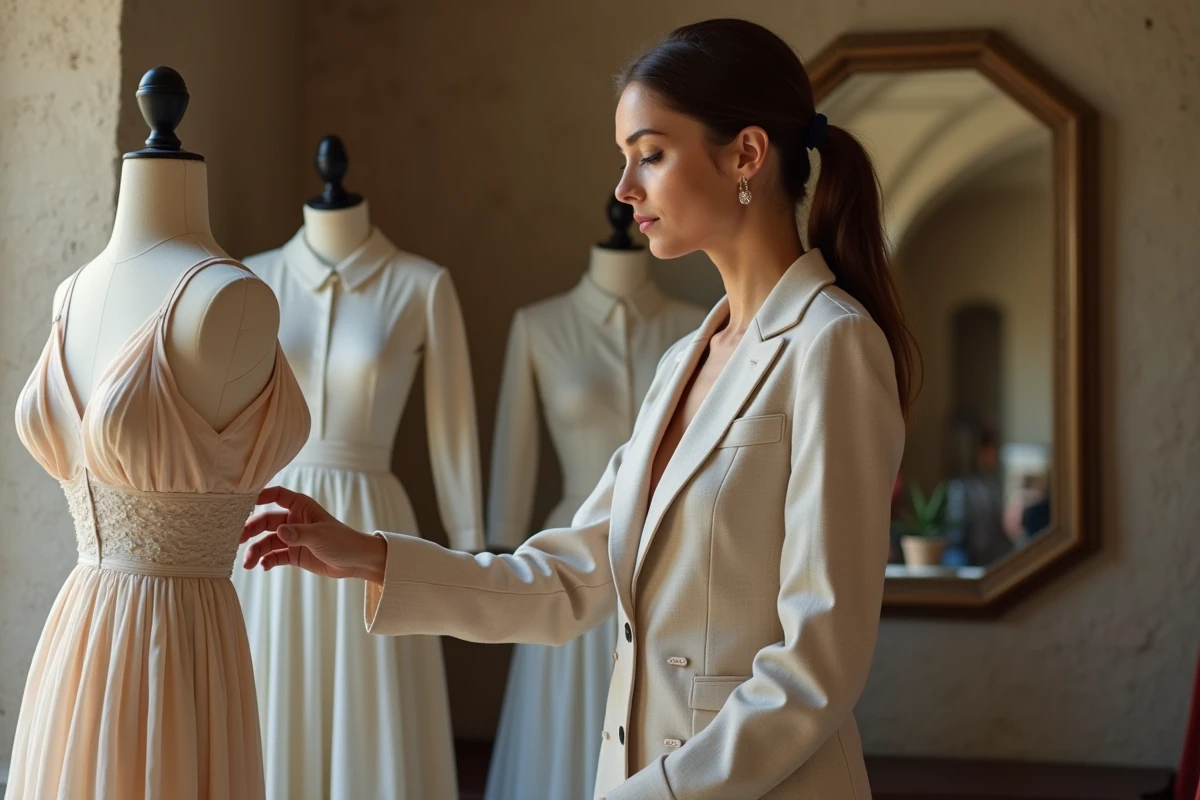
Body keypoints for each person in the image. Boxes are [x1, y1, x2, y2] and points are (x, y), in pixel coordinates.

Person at [242, 18, 916, 799]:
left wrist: (656, 792)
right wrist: (373, 555)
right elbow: (568, 579)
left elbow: (818, 665)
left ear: (747, 154)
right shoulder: (681, 363)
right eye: (624, 161)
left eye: (650, 155)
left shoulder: (832, 345)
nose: (626, 190)